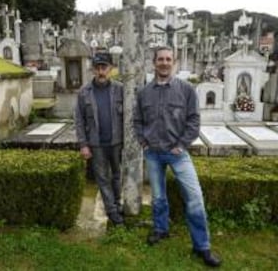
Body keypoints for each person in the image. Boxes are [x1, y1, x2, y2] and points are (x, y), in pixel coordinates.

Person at [133, 46, 221, 267]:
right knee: (158, 197)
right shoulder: (144, 93)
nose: (164, 62)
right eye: (160, 59)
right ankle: (160, 229)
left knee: (195, 199)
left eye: (168, 59)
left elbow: (193, 121)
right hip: (153, 153)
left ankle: (202, 246)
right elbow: (137, 121)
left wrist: (181, 145)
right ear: (154, 63)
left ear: (174, 62)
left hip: (178, 154)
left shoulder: (187, 90)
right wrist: (143, 141)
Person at [74, 52, 124, 226]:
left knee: (117, 176)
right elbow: (79, 120)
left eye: (104, 67)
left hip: (116, 142)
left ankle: (117, 204)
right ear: (93, 70)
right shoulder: (84, 92)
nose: (101, 71)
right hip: (96, 145)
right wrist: (83, 145)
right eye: (97, 68)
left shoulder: (120, 89)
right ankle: (112, 212)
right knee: (102, 179)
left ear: (110, 69)